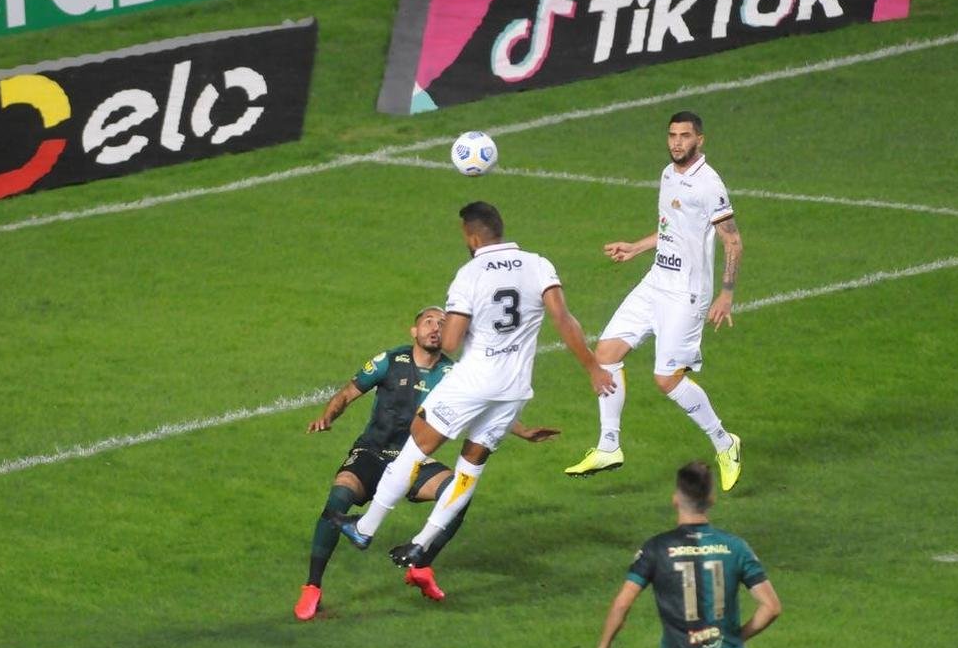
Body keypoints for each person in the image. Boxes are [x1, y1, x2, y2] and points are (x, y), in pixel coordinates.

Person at [334, 201, 614, 569]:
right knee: (471, 467)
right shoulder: (538, 264)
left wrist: (460, 324)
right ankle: (421, 543)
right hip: (514, 389)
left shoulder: (470, 274)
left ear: (473, 236)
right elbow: (563, 319)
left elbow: (450, 343)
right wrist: (593, 368)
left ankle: (365, 528)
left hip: (473, 381)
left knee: (416, 446)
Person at [296, 306, 559, 620]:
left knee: (457, 495)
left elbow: (486, 409)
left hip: (414, 460)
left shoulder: (454, 374)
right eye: (428, 322)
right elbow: (347, 394)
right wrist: (327, 416)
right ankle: (312, 587)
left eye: (442, 324)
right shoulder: (390, 360)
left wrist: (523, 431)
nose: (435, 328)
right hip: (371, 453)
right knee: (339, 498)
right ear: (414, 331)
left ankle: (421, 564)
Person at [565, 111, 746, 491]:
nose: (677, 142)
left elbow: (732, 240)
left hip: (686, 293)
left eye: (685, 136)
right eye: (672, 135)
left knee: (666, 379)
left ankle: (724, 442)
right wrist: (636, 247)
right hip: (656, 281)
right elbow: (670, 230)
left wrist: (726, 293)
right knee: (606, 353)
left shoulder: (709, 185)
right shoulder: (667, 174)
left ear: (700, 140)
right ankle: (609, 446)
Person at [595, 461, 781, 648]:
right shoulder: (736, 547)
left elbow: (622, 604)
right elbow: (771, 607)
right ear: (711, 499)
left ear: (675, 499)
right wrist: (736, 638)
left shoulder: (656, 548)